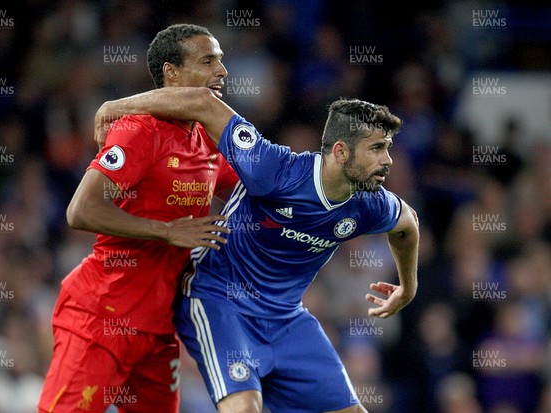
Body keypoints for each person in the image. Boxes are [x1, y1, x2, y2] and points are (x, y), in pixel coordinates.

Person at [96, 88, 419, 413]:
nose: (387, 160)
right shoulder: (274, 169)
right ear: (340, 151)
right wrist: (116, 106)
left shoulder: (370, 204)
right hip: (219, 302)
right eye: (376, 148)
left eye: (387, 148)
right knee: (245, 408)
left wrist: (408, 286)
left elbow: (407, 225)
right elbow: (203, 103)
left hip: (286, 317)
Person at [38, 24, 239, 413]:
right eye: (208, 60)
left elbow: (252, 189)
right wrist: (166, 231)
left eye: (222, 60)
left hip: (159, 329)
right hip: (101, 315)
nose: (222, 71)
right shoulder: (139, 131)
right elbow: (81, 209)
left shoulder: (206, 140)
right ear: (172, 74)